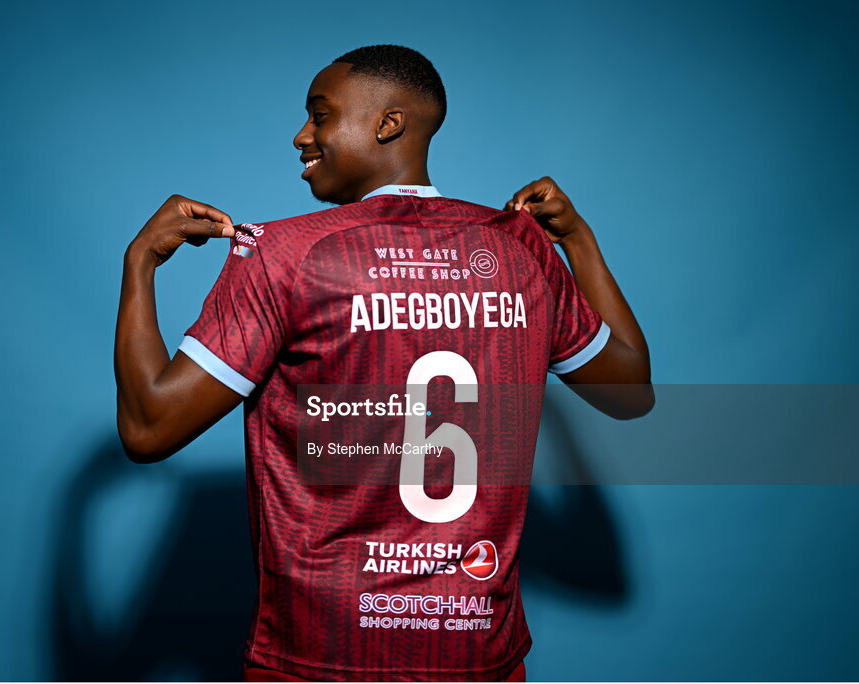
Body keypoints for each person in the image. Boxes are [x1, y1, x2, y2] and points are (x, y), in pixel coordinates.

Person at [114, 44, 653, 682]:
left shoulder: (284, 255)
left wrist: (139, 263)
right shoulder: (522, 252)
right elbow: (630, 390)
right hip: (475, 653)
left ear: (387, 124)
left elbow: (149, 428)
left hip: (322, 655)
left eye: (319, 115)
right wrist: (577, 242)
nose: (301, 135)